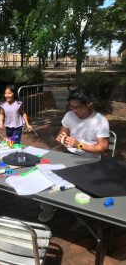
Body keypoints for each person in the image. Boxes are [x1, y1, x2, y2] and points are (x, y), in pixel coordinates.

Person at [38, 89, 110, 223]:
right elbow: (61, 134)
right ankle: (51, 204)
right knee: (49, 174)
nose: (74, 110)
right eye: (71, 106)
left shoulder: (100, 121)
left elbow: (102, 148)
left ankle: (61, 204)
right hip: (69, 154)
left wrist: (79, 145)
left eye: (78, 107)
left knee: (68, 181)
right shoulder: (69, 115)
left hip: (90, 161)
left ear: (89, 105)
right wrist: (63, 139)